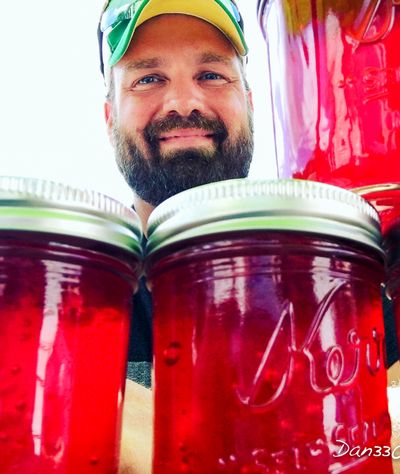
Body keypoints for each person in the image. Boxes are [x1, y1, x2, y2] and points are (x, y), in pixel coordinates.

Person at [98, 1, 253, 471]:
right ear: (109, 119)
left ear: (251, 102)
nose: (184, 103)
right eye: (148, 79)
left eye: (211, 74)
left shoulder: (341, 273)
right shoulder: (54, 293)